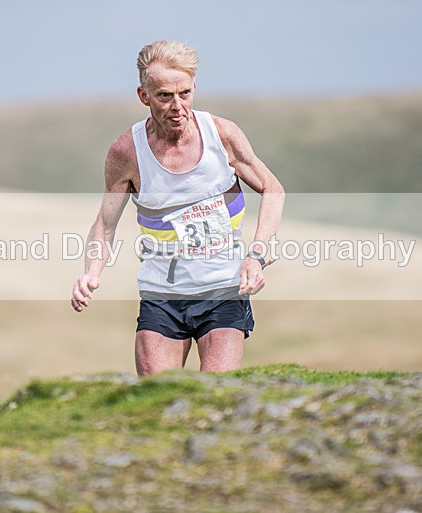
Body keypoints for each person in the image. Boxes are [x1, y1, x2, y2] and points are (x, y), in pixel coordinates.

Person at [71, 39, 284, 376]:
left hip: (223, 290)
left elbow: (273, 189)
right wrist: (92, 273)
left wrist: (256, 255)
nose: (177, 106)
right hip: (162, 296)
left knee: (216, 394)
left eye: (184, 93)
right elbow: (105, 223)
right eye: (164, 96)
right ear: (143, 96)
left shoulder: (222, 135)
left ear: (194, 87)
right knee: (158, 395)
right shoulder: (126, 152)